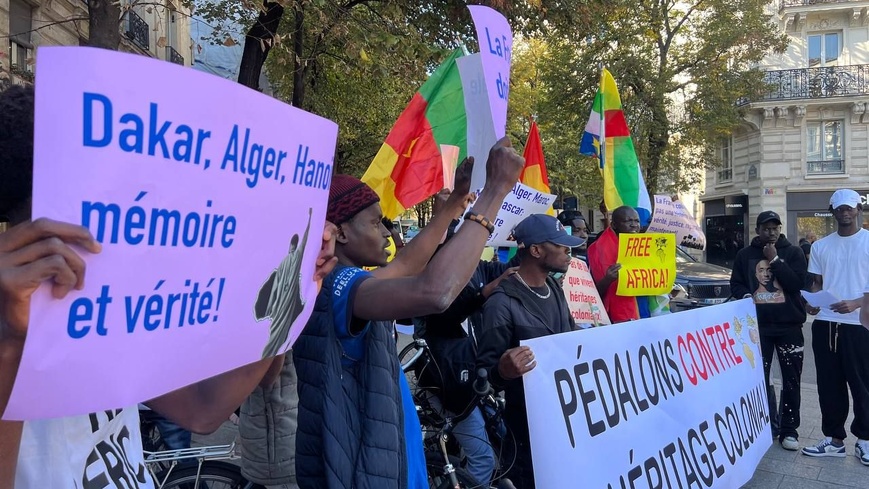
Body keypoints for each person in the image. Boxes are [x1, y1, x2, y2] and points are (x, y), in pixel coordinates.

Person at [0, 84, 339, 488]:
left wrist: (291, 289)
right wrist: (9, 341)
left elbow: (204, 410)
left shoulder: (94, 313)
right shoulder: (15, 317)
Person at [241, 140, 525, 489]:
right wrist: (494, 192)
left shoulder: (336, 282)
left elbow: (407, 265)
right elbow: (435, 292)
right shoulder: (339, 287)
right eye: (376, 223)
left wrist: (450, 209)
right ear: (340, 232)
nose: (386, 234)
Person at [475, 213, 585, 488]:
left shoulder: (553, 288)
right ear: (536, 250)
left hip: (563, 415)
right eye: (559, 244)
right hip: (526, 428)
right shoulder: (502, 304)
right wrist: (502, 370)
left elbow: (568, 337)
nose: (567, 250)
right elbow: (485, 378)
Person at [800, 189, 869, 466]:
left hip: (859, 324)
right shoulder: (820, 246)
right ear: (832, 211)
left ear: (858, 209)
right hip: (826, 322)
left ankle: (864, 440)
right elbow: (816, 283)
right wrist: (812, 302)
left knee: (862, 385)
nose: (844, 213)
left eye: (849, 208)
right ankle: (835, 440)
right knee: (829, 385)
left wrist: (856, 303)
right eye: (839, 209)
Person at [730, 210, 807, 451]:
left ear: (780, 229)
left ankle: (789, 429)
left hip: (789, 327)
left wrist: (774, 260)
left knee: (791, 380)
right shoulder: (744, 255)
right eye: (766, 228)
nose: (771, 232)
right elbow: (736, 283)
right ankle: (765, 425)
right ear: (757, 231)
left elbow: (796, 284)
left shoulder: (793, 253)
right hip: (758, 329)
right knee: (758, 379)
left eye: (775, 228)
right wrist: (745, 295)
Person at [587, 205, 664, 322]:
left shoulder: (648, 248)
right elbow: (590, 294)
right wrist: (608, 279)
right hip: (616, 319)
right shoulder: (597, 250)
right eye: (628, 221)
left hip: (645, 312)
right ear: (614, 225)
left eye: (637, 221)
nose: (634, 225)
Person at [255, 209, 313, 358]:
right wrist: (311, 219)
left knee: (276, 337)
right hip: (285, 304)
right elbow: (305, 241)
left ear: (290, 246)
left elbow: (274, 290)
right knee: (279, 340)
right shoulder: (292, 259)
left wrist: (271, 307)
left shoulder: (286, 261)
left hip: (280, 305)